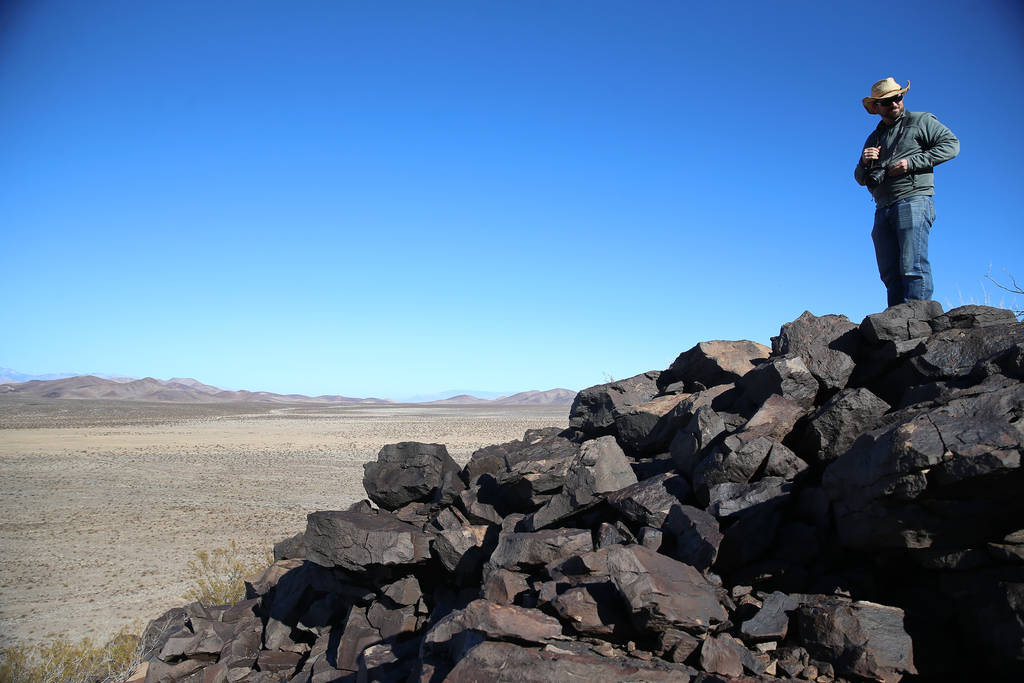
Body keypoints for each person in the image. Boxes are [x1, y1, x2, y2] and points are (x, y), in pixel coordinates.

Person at [855, 77, 959, 307]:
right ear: (877, 107)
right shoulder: (874, 137)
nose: (894, 103)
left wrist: (911, 163)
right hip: (882, 207)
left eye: (898, 97)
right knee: (890, 272)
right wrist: (864, 162)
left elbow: (951, 145)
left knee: (913, 266)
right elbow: (860, 179)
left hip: (913, 198)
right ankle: (897, 325)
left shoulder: (920, 120)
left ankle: (918, 323)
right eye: (888, 101)